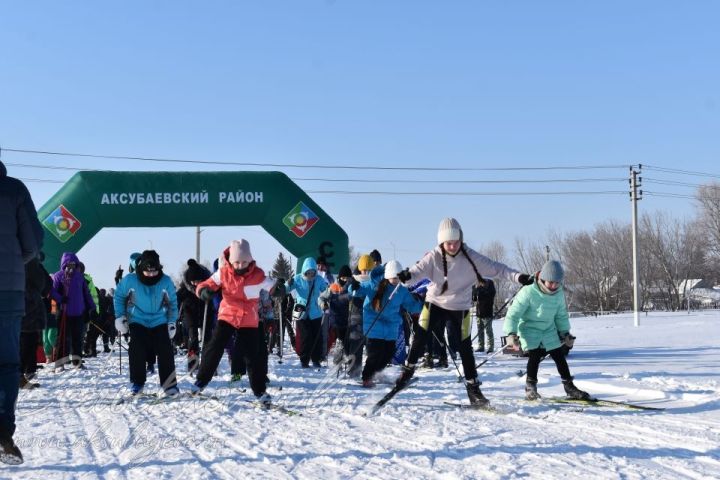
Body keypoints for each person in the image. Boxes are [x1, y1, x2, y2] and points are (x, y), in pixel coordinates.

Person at [395, 217, 534, 406]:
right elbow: (417, 271)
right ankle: (407, 371)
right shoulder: (434, 256)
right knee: (420, 335)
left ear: (461, 239)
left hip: (460, 307)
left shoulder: (471, 257)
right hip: (435, 302)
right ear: (441, 242)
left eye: (456, 242)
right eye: (448, 243)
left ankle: (473, 388)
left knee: (465, 346)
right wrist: (407, 275)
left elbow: (497, 269)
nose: (453, 246)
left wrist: (518, 277)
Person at [192, 240, 275, 404]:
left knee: (253, 355)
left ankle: (260, 392)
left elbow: (272, 285)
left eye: (244, 262)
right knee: (215, 345)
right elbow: (207, 283)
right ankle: (200, 381)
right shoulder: (223, 273)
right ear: (231, 261)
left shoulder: (257, 275)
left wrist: (279, 289)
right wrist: (203, 291)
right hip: (228, 315)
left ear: (250, 259)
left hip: (249, 319)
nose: (240, 265)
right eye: (236, 262)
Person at [0, 160, 43, 464]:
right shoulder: (14, 189)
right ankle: (3, 435)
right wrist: (14, 259)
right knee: (6, 364)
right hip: (7, 288)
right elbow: (33, 244)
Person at [503, 260, 590, 401]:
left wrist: (565, 333)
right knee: (535, 355)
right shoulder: (529, 291)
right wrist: (511, 334)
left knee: (559, 355)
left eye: (557, 283)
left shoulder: (559, 293)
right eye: (550, 282)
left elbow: (561, 315)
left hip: (548, 328)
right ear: (542, 279)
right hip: (529, 327)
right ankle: (530, 387)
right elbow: (513, 314)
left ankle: (569, 387)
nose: (554, 286)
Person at [114, 250, 179, 397]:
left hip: (159, 319)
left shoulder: (165, 281)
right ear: (141, 268)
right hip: (137, 318)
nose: (151, 275)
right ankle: (138, 384)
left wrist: (171, 322)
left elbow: (173, 304)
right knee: (136, 348)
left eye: (154, 272)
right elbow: (119, 296)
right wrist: (120, 317)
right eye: (147, 272)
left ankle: (170, 385)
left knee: (165, 350)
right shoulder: (130, 280)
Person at [349, 261, 422, 387]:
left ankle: (376, 373)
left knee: (388, 354)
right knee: (375, 353)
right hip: (374, 322)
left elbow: (411, 305)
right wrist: (353, 287)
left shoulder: (402, 290)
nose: (396, 281)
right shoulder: (374, 284)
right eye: (393, 278)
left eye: (398, 278)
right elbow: (358, 290)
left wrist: (423, 304)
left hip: (391, 325)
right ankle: (367, 377)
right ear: (387, 276)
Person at [50, 253, 96, 370]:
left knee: (78, 338)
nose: (71, 266)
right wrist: (60, 298)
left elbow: (86, 293)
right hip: (64, 312)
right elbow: (52, 291)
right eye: (69, 264)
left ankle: (77, 362)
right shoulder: (58, 276)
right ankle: (60, 362)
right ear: (64, 264)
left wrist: (92, 307)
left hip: (78, 312)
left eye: (73, 263)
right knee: (62, 338)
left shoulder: (79, 277)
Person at [286, 257, 329, 368]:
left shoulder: (319, 280)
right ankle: (304, 360)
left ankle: (316, 359)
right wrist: (287, 284)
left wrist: (327, 297)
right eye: (308, 272)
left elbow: (325, 291)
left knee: (317, 337)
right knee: (306, 337)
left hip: (315, 313)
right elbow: (286, 289)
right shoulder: (297, 279)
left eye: (312, 272)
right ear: (304, 270)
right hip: (301, 312)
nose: (310, 274)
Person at [20, 255, 52, 388]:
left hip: (16, 304)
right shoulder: (31, 261)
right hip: (28, 306)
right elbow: (45, 285)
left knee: (22, 343)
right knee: (27, 343)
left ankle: (20, 375)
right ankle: (18, 376)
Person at [318, 265, 352, 366]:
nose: (345, 280)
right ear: (339, 278)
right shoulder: (333, 287)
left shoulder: (352, 288)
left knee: (347, 342)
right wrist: (323, 305)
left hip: (348, 319)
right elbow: (321, 298)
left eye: (347, 278)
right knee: (340, 340)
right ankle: (337, 362)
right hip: (336, 319)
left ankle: (347, 360)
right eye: (343, 278)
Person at [473, 279, 496, 353]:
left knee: (488, 331)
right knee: (480, 331)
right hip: (479, 313)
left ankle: (490, 347)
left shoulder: (490, 285)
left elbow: (490, 295)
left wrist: (480, 289)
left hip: (487, 313)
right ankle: (481, 346)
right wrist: (474, 289)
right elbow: (474, 298)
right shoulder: (478, 287)